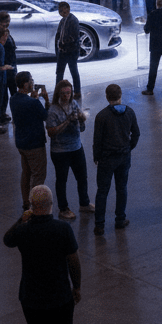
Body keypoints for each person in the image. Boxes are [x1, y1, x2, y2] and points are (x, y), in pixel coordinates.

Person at [3, 185, 81, 324]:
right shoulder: (63, 229)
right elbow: (74, 261)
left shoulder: (23, 231)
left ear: (31, 206)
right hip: (60, 298)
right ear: (51, 204)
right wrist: (76, 287)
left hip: (31, 300)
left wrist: (21, 219)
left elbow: (7, 240)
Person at [91, 83, 139, 236]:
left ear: (106, 97)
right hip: (124, 156)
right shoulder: (129, 112)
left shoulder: (101, 116)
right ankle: (120, 220)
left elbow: (97, 140)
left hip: (106, 158)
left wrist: (96, 156)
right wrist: (129, 147)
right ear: (120, 96)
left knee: (103, 191)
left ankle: (99, 224)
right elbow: (136, 134)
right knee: (121, 188)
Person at [45, 79, 91, 221]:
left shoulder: (73, 103)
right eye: (64, 93)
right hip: (60, 152)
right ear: (59, 93)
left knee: (82, 177)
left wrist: (81, 117)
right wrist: (66, 122)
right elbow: (51, 132)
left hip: (76, 147)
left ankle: (84, 203)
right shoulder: (53, 110)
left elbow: (81, 121)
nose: (67, 96)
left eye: (69, 93)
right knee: (62, 180)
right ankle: (63, 208)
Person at [12, 72, 50, 212]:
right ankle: (36, 205)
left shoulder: (14, 99)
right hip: (35, 144)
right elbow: (47, 117)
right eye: (31, 80)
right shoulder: (33, 103)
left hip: (21, 143)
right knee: (38, 175)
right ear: (26, 84)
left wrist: (34, 99)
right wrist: (45, 100)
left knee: (26, 173)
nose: (33, 83)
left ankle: (26, 202)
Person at [53, 2, 82, 98]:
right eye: (60, 11)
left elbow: (74, 37)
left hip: (71, 52)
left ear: (68, 9)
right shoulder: (62, 20)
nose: (61, 12)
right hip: (62, 52)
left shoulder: (73, 20)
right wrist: (58, 46)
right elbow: (58, 34)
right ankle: (58, 91)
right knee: (59, 72)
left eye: (63, 10)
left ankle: (77, 92)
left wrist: (63, 43)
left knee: (73, 71)